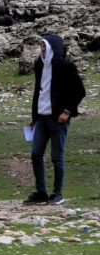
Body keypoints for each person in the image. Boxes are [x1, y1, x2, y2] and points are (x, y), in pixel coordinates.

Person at [24, 34, 85, 205]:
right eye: (41, 47)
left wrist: (67, 111)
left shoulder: (66, 67)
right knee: (36, 154)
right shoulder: (39, 65)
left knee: (57, 157)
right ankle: (41, 192)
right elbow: (38, 90)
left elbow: (79, 91)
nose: (42, 50)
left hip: (58, 119)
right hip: (41, 118)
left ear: (54, 49)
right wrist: (34, 117)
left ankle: (58, 193)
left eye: (46, 47)